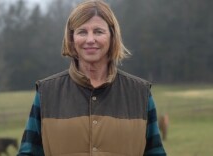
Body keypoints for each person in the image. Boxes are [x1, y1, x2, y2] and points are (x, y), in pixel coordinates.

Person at [17, 0, 166, 155]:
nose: (90, 39)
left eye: (98, 31)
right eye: (82, 32)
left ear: (112, 36)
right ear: (72, 38)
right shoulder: (46, 93)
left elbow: (155, 152)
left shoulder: (140, 93)